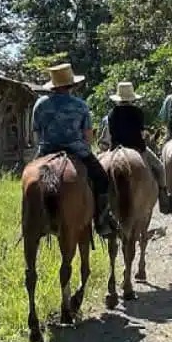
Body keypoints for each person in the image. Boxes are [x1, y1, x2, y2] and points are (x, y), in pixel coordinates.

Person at [31, 63, 115, 236]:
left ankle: (30, 219)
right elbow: (88, 136)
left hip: (46, 150)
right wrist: (85, 146)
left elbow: (36, 132)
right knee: (102, 179)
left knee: (29, 179)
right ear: (72, 85)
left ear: (53, 85)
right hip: (77, 151)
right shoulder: (80, 105)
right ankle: (102, 220)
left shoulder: (40, 104)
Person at [99, 81, 172, 214]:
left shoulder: (111, 113)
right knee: (160, 167)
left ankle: (99, 205)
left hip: (115, 148)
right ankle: (163, 197)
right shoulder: (138, 112)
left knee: (98, 170)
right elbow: (141, 132)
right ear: (132, 98)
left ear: (118, 98)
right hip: (137, 147)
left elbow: (111, 133)